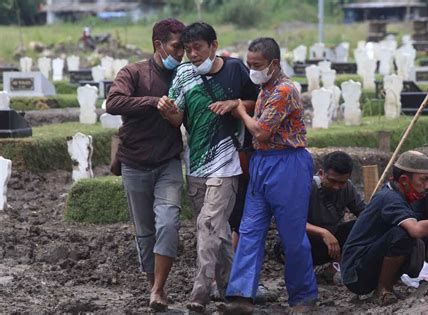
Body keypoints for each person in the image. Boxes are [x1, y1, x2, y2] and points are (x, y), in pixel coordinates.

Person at [158, 22, 258, 312]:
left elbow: (256, 101)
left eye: (198, 48)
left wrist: (234, 103)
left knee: (208, 223)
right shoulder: (183, 74)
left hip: (226, 164)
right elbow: (178, 119)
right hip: (196, 164)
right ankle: (232, 288)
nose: (192, 54)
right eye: (188, 49)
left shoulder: (235, 69)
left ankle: (201, 291)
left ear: (214, 46)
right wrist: (168, 112)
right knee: (218, 230)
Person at [224, 37, 317, 314]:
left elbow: (262, 131)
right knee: (249, 229)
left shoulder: (284, 90)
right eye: (249, 64)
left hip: (288, 165)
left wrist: (240, 109)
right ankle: (241, 295)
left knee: (292, 235)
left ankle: (303, 297)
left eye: (258, 65)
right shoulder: (265, 87)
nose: (252, 70)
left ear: (274, 64)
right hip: (262, 163)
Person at [106, 18, 185, 312]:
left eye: (184, 50)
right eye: (176, 48)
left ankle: (159, 288)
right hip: (135, 163)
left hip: (168, 161)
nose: (180, 55)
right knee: (145, 230)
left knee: (168, 222)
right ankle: (154, 285)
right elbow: (113, 102)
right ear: (158, 45)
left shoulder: (184, 76)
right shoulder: (133, 72)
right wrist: (154, 102)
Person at [340, 151, 428, 306]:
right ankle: (383, 290)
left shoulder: (398, 195)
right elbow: (416, 230)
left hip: (363, 265)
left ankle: (385, 286)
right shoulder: (390, 199)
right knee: (404, 235)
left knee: (412, 240)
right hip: (355, 273)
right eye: (423, 180)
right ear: (404, 180)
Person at [273, 151, 366, 279]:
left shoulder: (348, 188)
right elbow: (290, 221)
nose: (337, 187)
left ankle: (337, 266)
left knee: (363, 226)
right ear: (322, 174)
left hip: (332, 245)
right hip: (303, 242)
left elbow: (363, 213)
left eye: (342, 183)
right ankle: (303, 271)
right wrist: (323, 233)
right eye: (332, 181)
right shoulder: (306, 187)